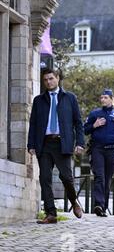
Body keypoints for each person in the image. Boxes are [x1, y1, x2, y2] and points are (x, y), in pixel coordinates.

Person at [27, 67, 85, 224]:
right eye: (45, 80)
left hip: (62, 143)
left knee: (66, 177)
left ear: (58, 78)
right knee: (44, 178)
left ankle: (74, 202)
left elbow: (78, 123)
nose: (48, 82)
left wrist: (80, 142)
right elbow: (33, 124)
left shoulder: (69, 98)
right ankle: (51, 213)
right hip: (44, 144)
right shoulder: (39, 101)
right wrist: (31, 144)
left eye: (51, 78)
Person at [84, 89, 114, 217]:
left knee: (107, 179)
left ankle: (103, 207)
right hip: (97, 149)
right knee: (99, 176)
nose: (103, 100)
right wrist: (94, 125)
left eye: (105, 97)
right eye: (101, 97)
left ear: (112, 99)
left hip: (112, 150)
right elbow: (85, 130)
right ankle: (98, 204)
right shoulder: (94, 114)